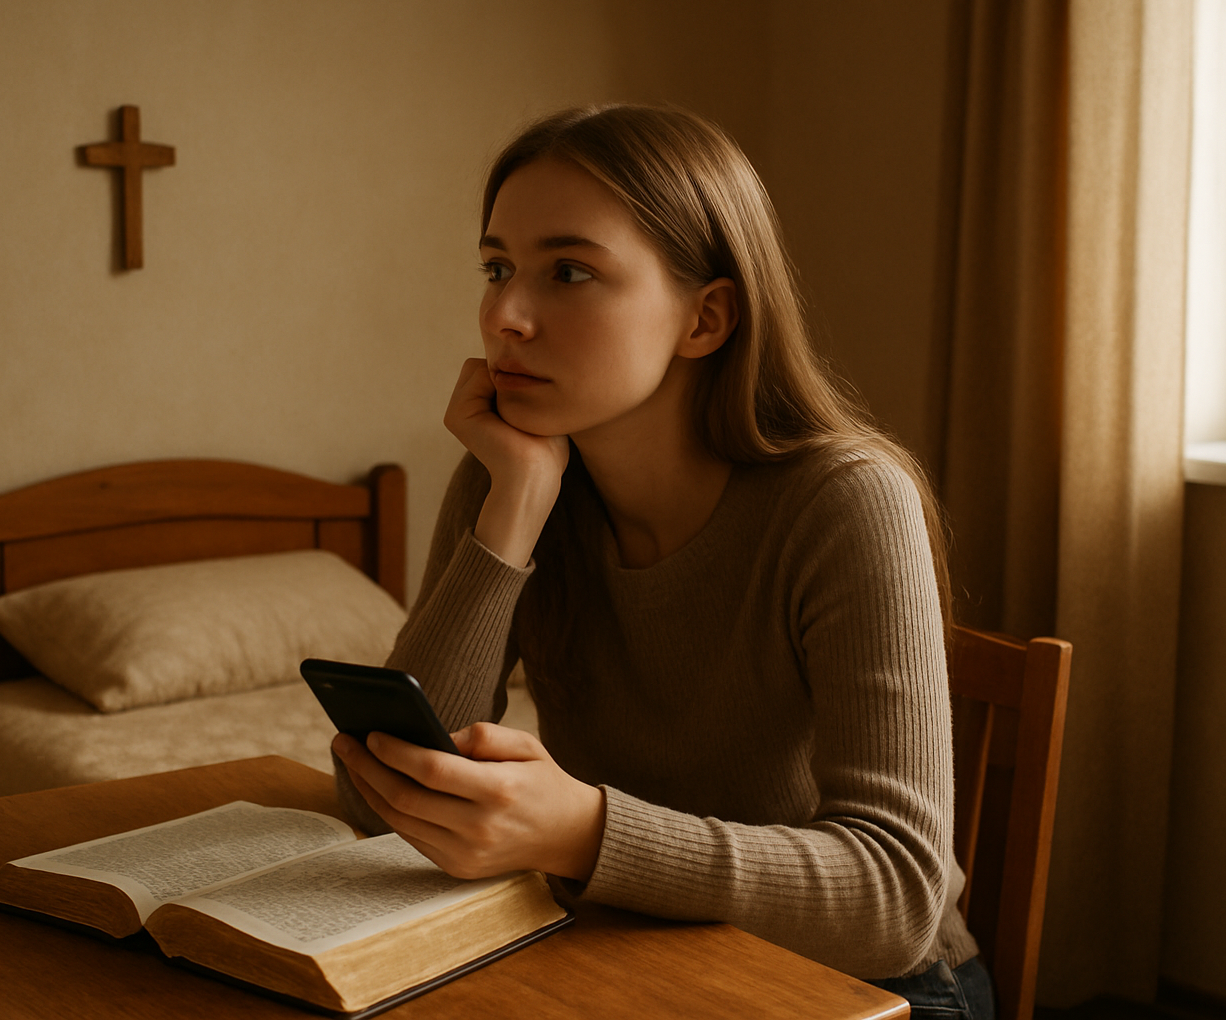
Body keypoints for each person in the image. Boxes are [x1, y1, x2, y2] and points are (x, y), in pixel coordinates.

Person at [332, 104, 993, 1020]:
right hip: (627, 950)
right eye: (497, 268)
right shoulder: (513, 474)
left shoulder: (844, 500)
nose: (505, 316)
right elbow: (385, 800)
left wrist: (585, 831)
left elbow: (897, 899)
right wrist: (513, 512)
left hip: (864, 990)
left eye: (568, 272)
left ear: (706, 318)